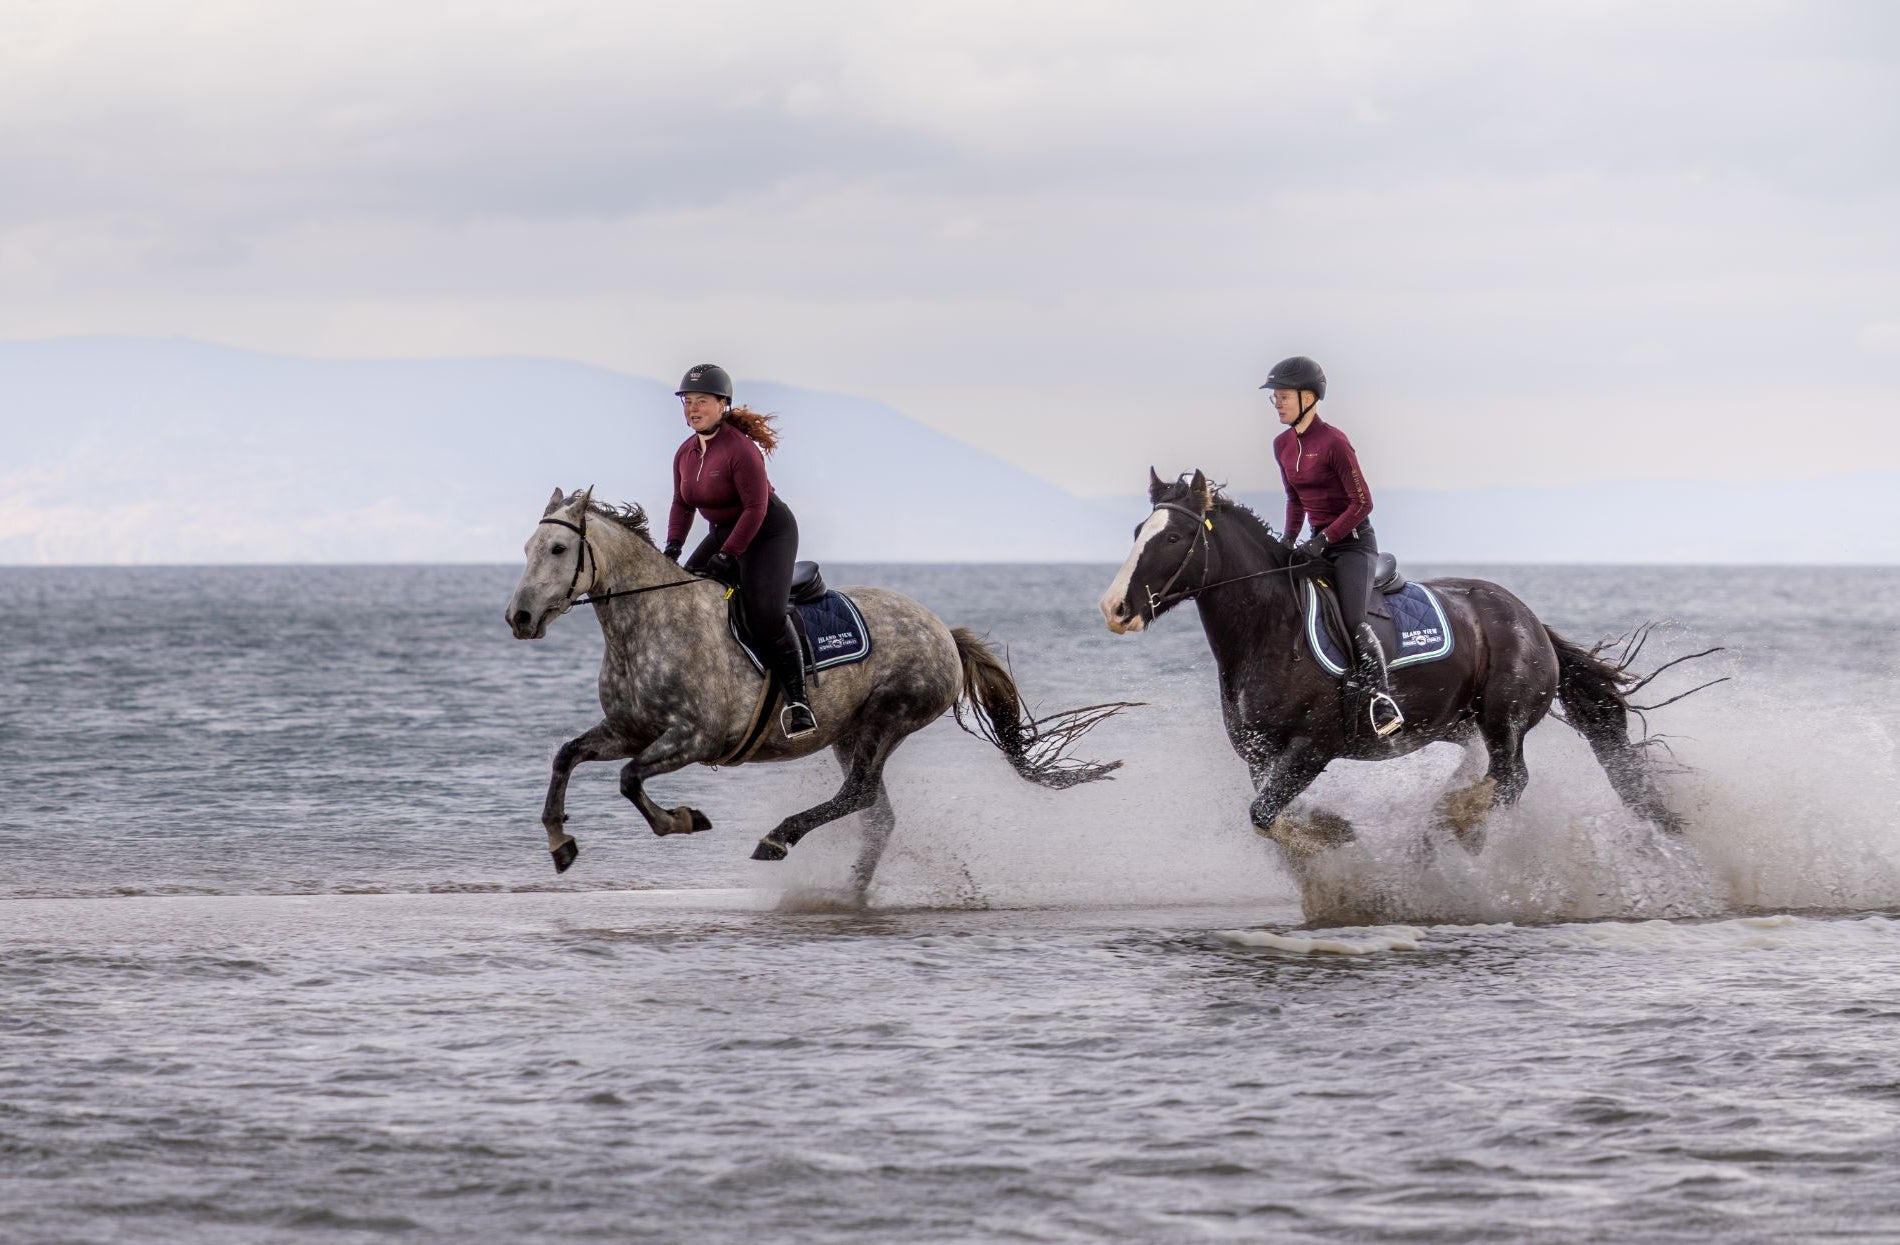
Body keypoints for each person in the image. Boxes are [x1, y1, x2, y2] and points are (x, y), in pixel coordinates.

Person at [662, 363, 817, 739]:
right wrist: (672, 549)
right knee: (682, 594)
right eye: (687, 402)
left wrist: (729, 554)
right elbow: (682, 504)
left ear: (723, 405)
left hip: (768, 532)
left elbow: (756, 509)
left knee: (766, 616)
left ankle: (799, 703)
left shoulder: (740, 450)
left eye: (702, 401)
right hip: (726, 531)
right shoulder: (685, 453)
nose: (693, 409)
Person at [1263, 355, 1404, 737]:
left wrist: (1324, 538)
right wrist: (1288, 542)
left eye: (1283, 395)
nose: (1276, 402)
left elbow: (1363, 503)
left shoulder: (1334, 443)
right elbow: (1294, 500)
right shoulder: (1282, 445)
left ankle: (1380, 699)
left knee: (1353, 618)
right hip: (1315, 544)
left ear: (1309, 397)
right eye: (1273, 396)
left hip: (1353, 546)